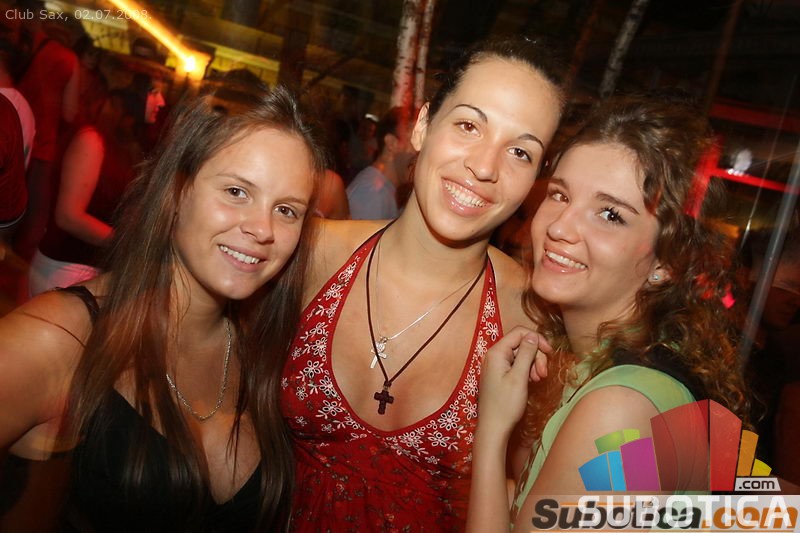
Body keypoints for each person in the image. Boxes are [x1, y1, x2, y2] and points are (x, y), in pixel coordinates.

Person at [0, 85, 327, 531]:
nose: (262, 228)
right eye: (236, 191)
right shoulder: (58, 338)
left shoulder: (266, 351)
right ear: (176, 190)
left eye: (287, 210)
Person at [281, 36, 564, 531]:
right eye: (469, 125)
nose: (484, 167)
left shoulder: (530, 320)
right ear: (423, 125)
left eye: (520, 152)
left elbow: (529, 496)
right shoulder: (311, 254)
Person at [467, 94, 751, 531]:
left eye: (610, 214)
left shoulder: (621, 408)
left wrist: (490, 432)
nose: (559, 226)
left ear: (666, 262)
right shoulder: (615, 365)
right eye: (560, 194)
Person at [28, 86, 143, 297]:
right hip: (64, 267)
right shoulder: (91, 140)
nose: (104, 107)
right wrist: (126, 245)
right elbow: (68, 216)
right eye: (109, 102)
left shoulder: (121, 151)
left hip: (86, 269)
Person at [346, 107, 413, 220]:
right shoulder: (372, 194)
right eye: (413, 143)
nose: (419, 155)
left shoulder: (385, 192)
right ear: (391, 143)